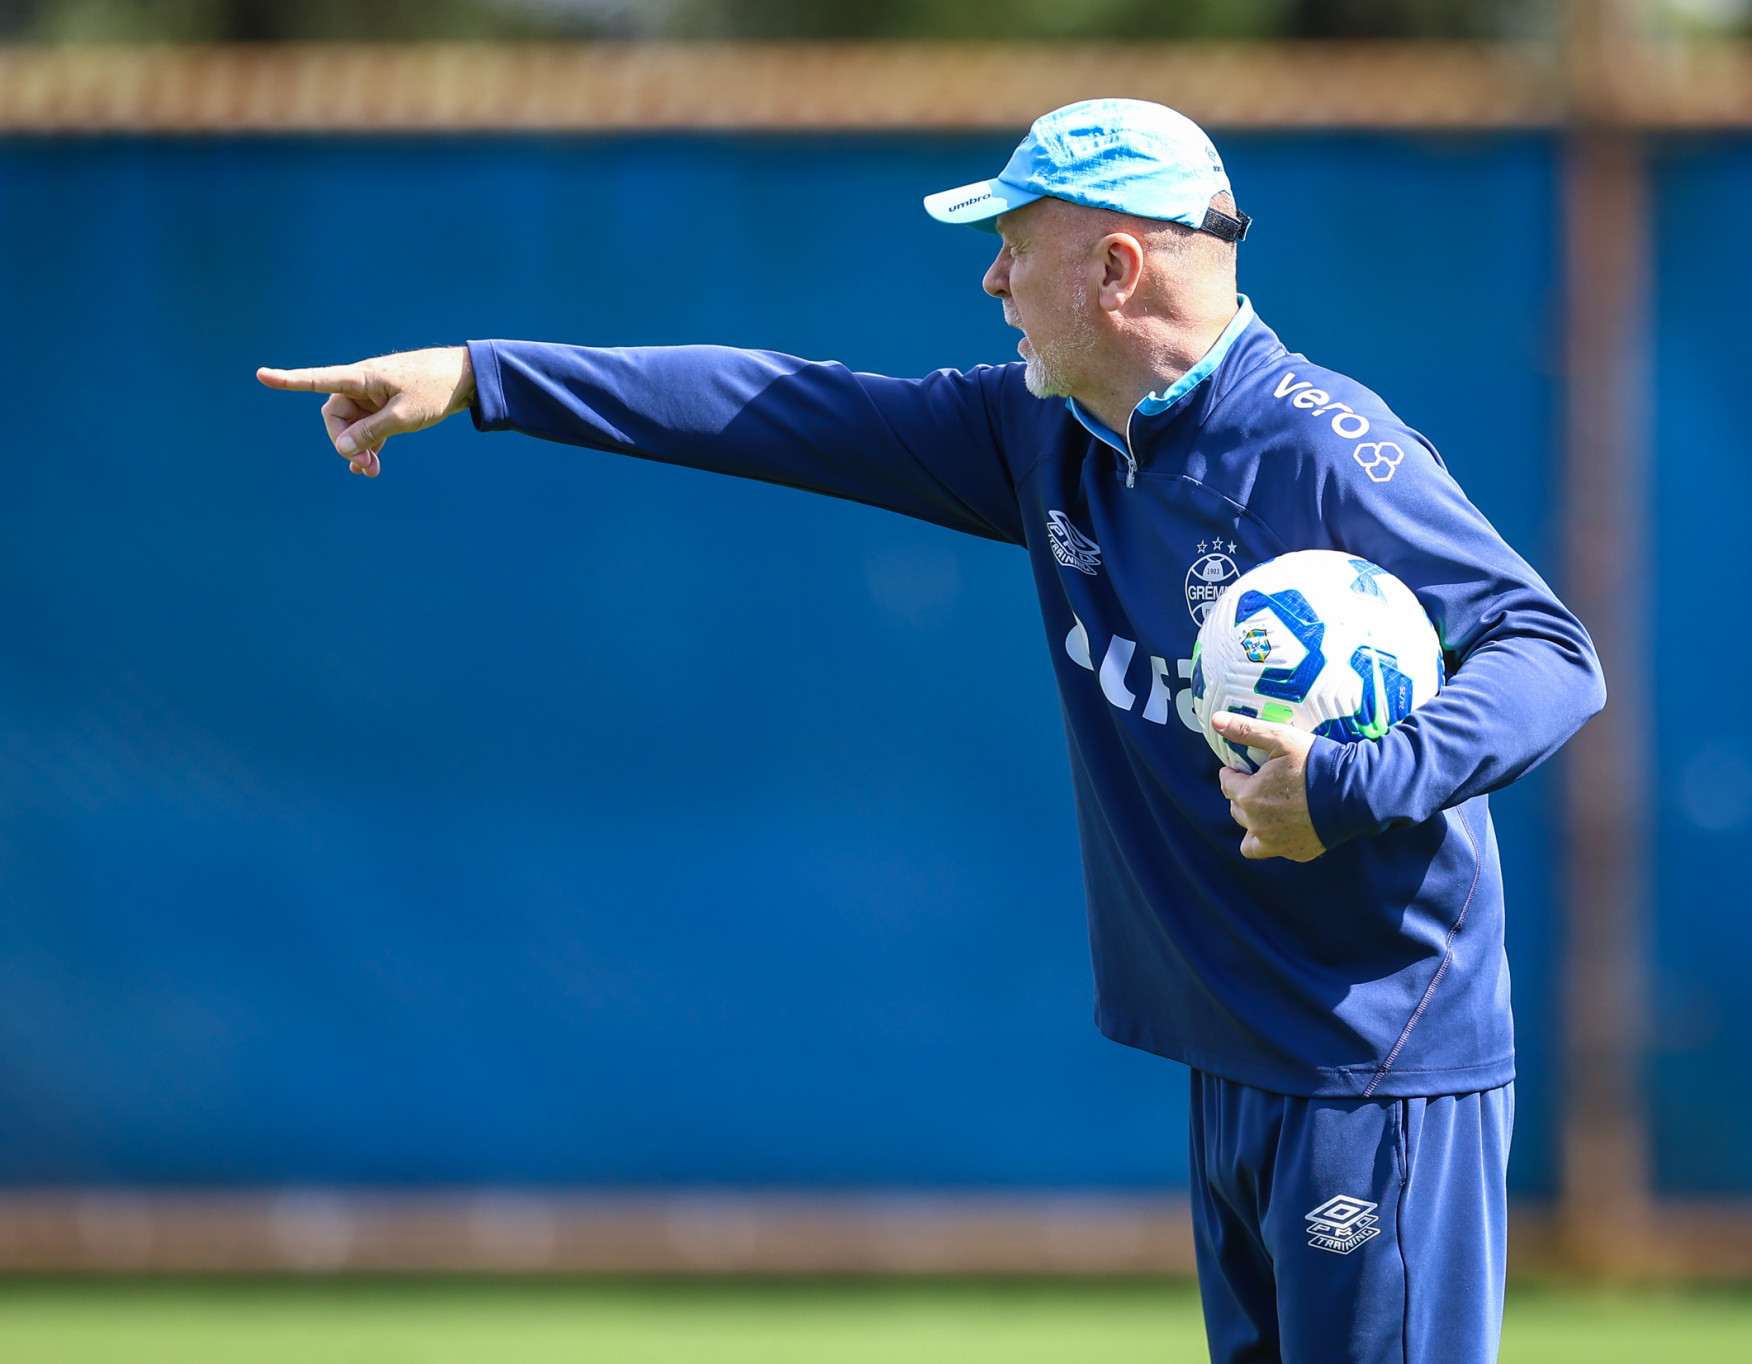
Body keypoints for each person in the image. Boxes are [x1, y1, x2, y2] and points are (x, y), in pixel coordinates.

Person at [258, 98, 1603, 1363]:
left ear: (1116, 268)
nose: (992, 280)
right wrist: (481, 376)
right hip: (1240, 1055)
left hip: (1378, 1057)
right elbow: (775, 410)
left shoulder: (1322, 451)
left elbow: (1549, 653)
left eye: (1014, 247)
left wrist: (1355, 783)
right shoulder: (1044, 437)